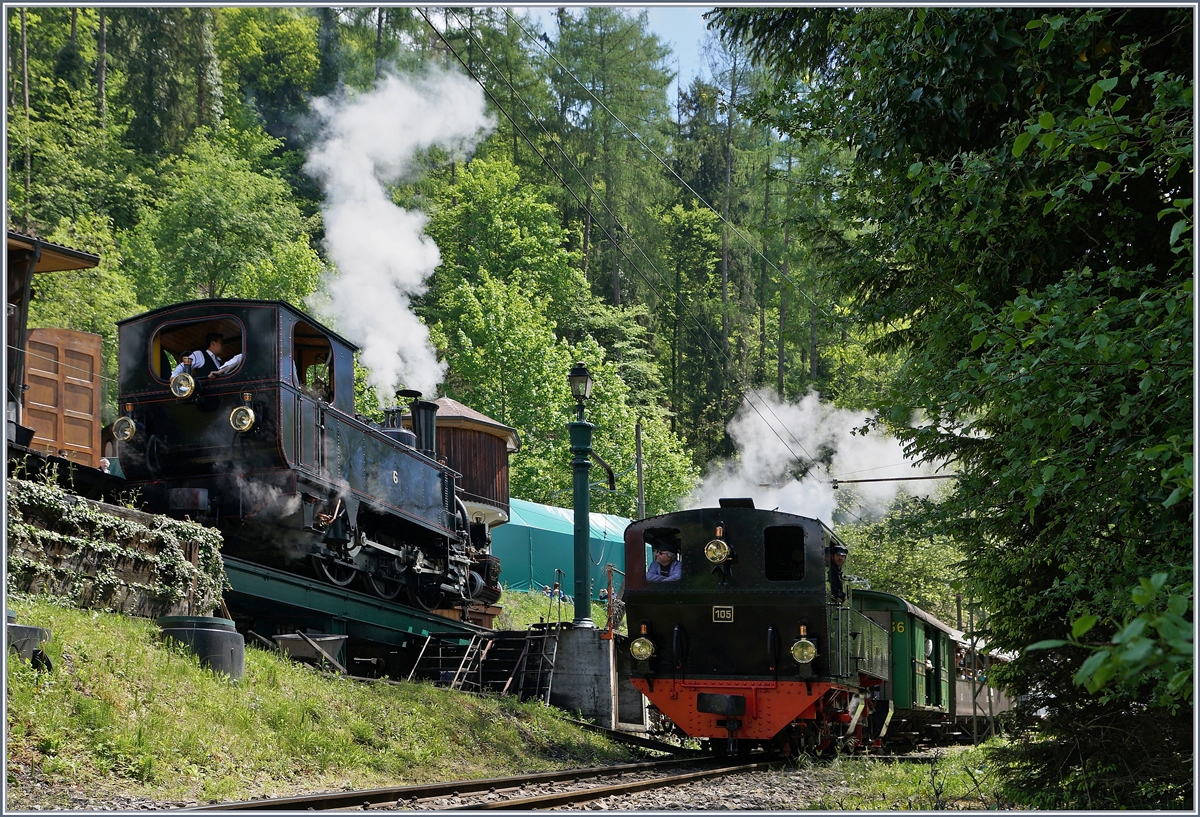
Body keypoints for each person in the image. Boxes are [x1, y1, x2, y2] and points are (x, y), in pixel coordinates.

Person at [172, 333, 241, 379]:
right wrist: (174, 377)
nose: (223, 346)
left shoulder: (219, 361)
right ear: (213, 343)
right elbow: (183, 365)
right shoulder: (200, 354)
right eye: (221, 343)